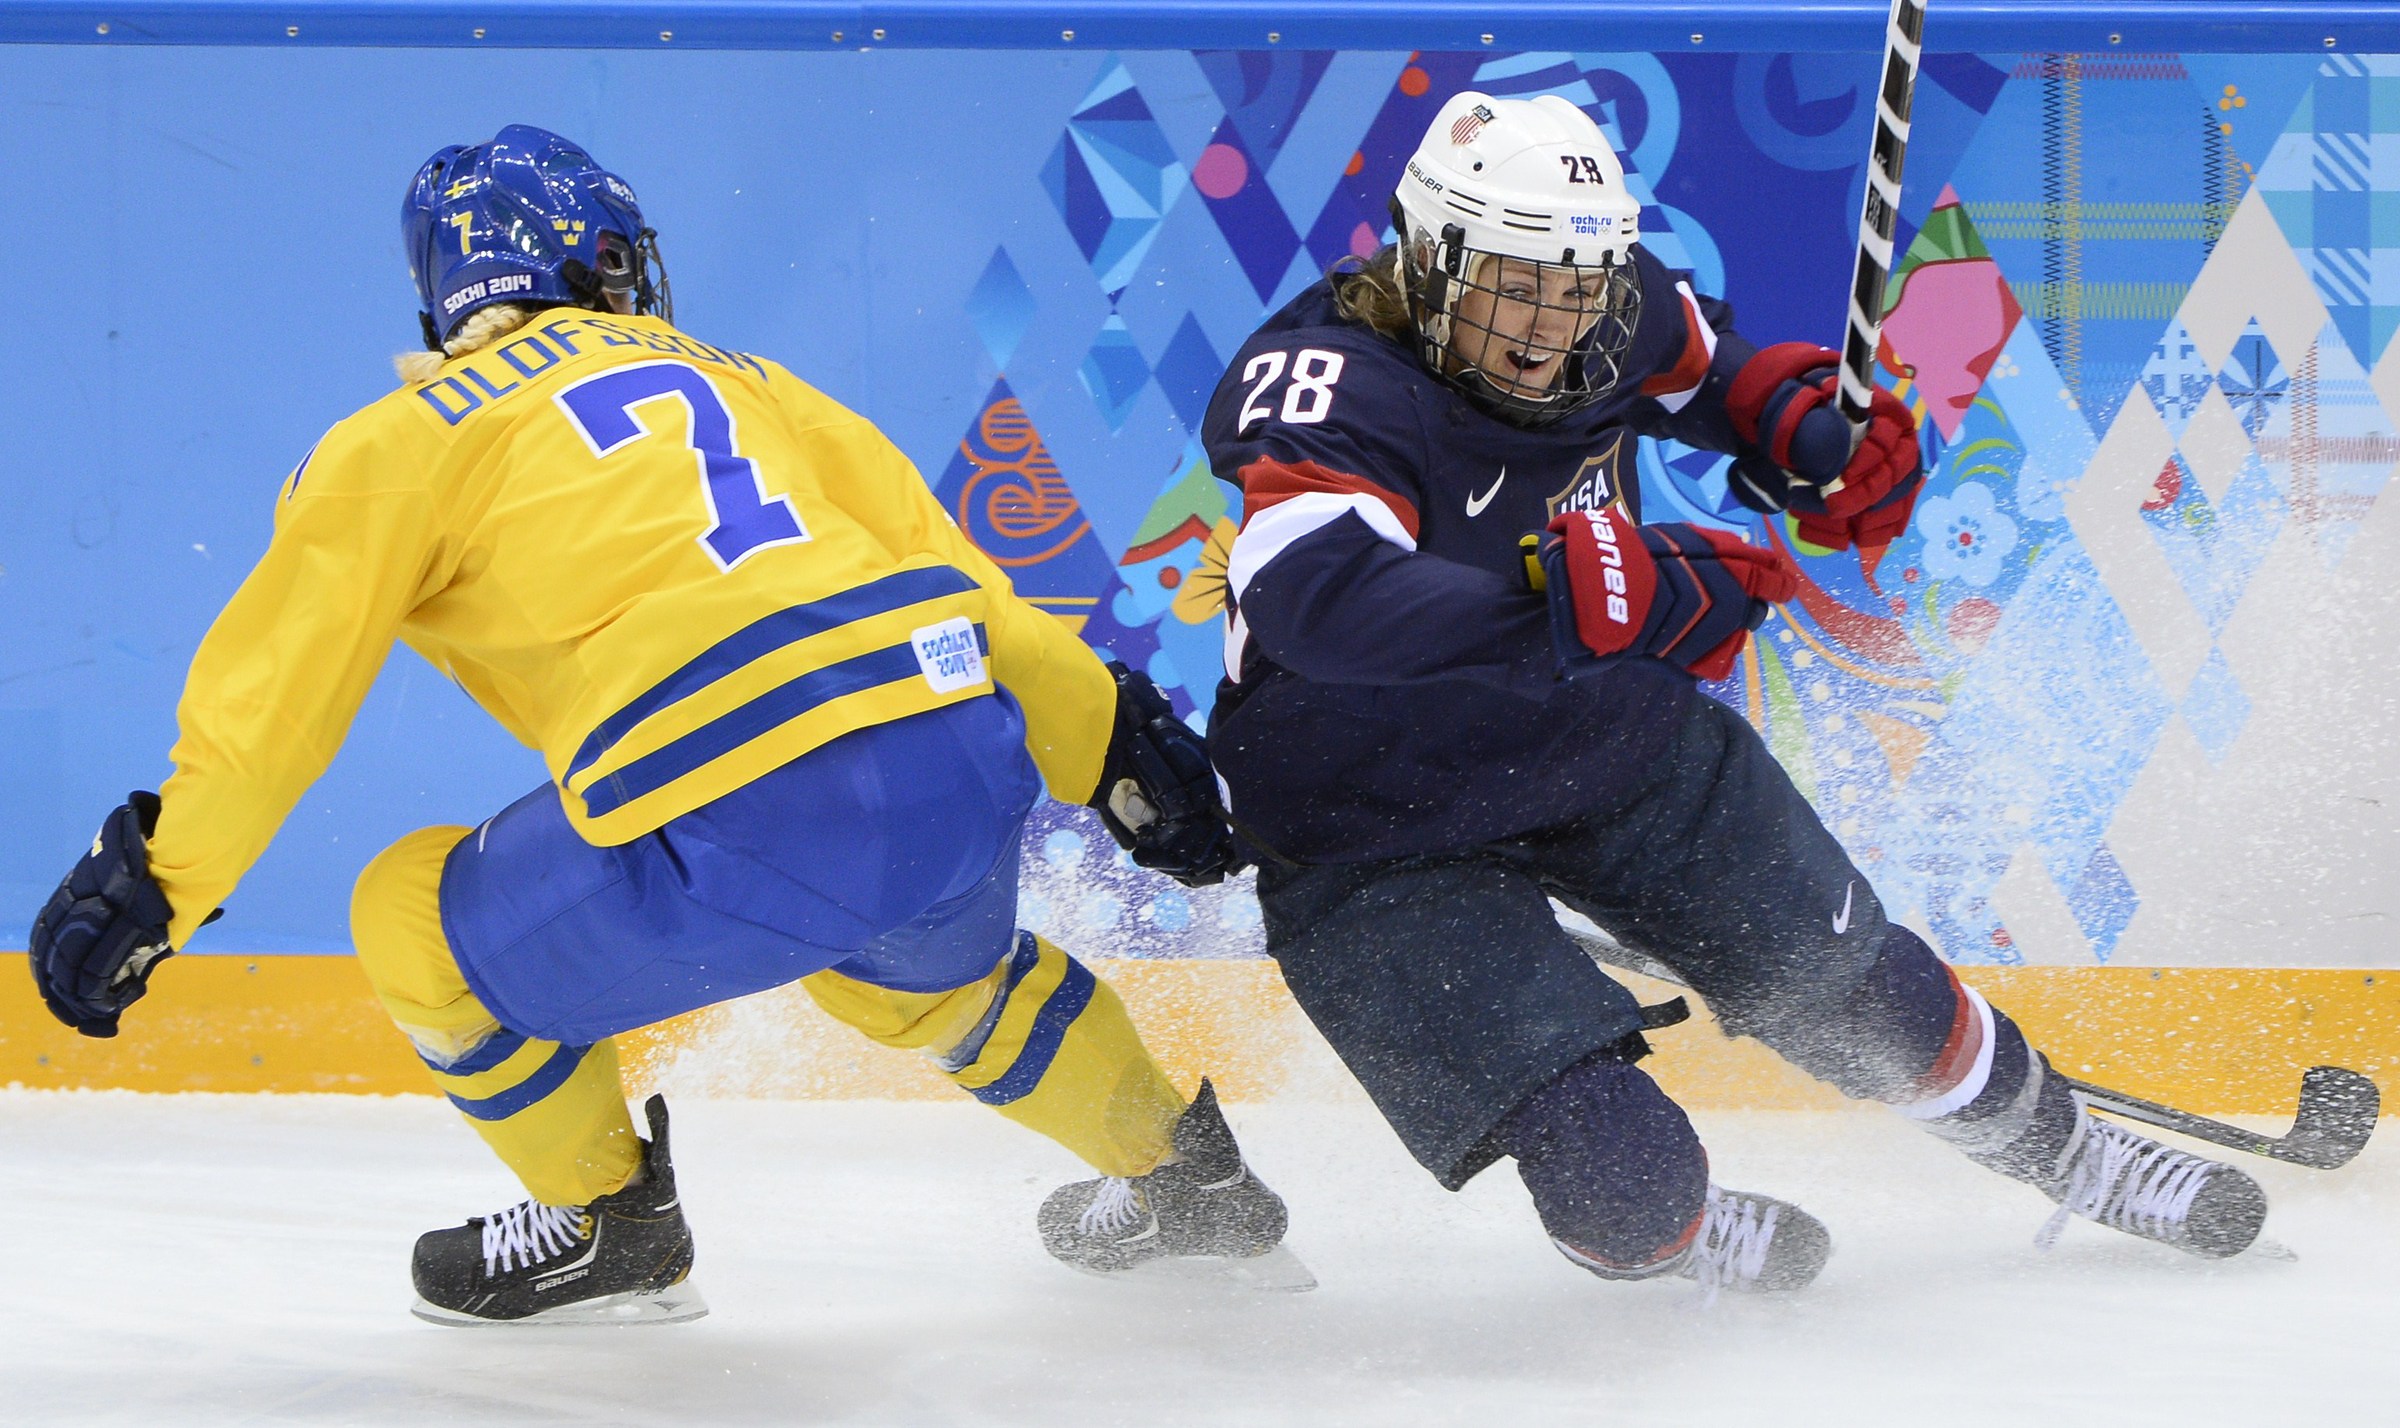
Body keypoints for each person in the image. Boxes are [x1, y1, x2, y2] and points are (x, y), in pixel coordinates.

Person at [25, 124, 1289, 1326]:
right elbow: (959, 591)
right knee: (922, 980)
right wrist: (1111, 748)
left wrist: (160, 886)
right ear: (596, 261)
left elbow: (276, 703)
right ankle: (1196, 1188)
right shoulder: (750, 381)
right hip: (953, 759)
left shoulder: (394, 441)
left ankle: (609, 1226)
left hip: (749, 807)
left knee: (405, 914)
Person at [1182, 91, 2267, 1294]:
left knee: (1870, 995)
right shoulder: (1329, 382)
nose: (1549, 322)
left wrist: (1805, 433)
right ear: (1427, 256)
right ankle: (1677, 1234)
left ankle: (2070, 1153)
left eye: (1574, 283)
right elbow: (1316, 603)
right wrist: (1578, 598)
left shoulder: (1615, 297)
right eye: (1511, 283)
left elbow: (1715, 377)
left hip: (1595, 738)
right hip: (1369, 812)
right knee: (1622, 1187)